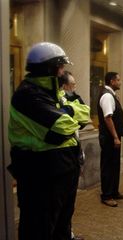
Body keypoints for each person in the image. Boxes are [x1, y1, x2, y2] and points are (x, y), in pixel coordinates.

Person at [7, 42, 90, 240]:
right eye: (61, 67)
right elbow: (63, 128)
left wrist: (68, 112)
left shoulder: (52, 93)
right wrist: (69, 114)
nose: (63, 71)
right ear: (49, 68)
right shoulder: (27, 95)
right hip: (41, 172)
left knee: (62, 222)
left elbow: (84, 114)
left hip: (62, 168)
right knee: (40, 226)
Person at [59, 71, 88, 240]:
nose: (75, 88)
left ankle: (67, 233)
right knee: (62, 203)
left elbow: (84, 118)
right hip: (62, 157)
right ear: (64, 85)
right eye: (73, 85)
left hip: (73, 151)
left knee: (69, 203)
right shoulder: (55, 101)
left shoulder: (71, 98)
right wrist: (73, 110)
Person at [98, 72, 123, 207]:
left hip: (113, 137)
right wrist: (115, 137)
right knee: (108, 166)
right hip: (109, 137)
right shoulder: (107, 96)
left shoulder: (111, 95)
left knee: (115, 165)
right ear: (112, 81)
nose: (120, 82)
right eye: (118, 80)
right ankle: (106, 195)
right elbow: (108, 118)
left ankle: (114, 191)